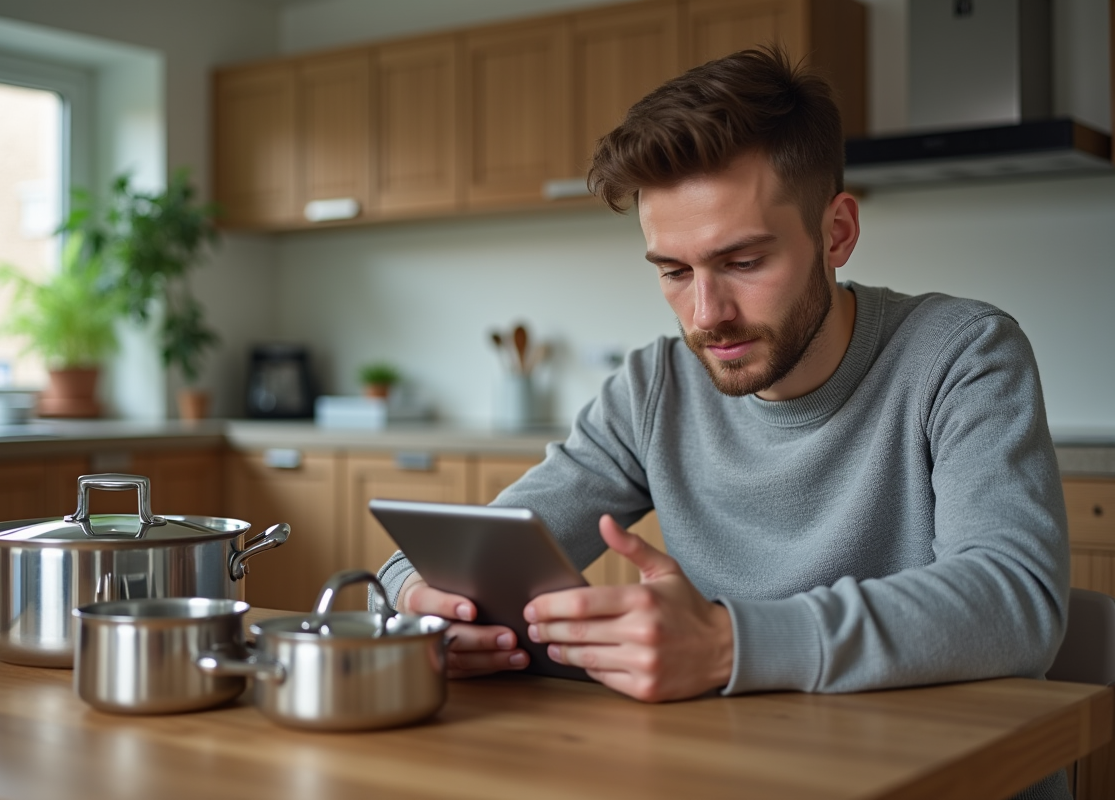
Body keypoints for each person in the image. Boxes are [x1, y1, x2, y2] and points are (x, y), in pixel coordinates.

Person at [377, 45, 1069, 798]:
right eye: (673, 272)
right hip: (741, 771)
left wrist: (728, 644)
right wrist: (421, 594)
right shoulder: (653, 386)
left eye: (742, 262)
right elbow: (481, 542)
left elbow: (1016, 600)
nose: (707, 316)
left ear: (835, 233)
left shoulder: (962, 354)